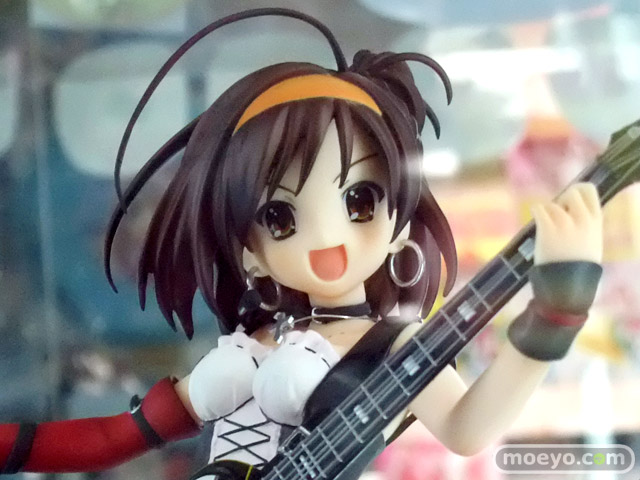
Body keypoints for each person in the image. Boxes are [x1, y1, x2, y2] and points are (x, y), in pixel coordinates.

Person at [0, 8, 603, 479]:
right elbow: (111, 438)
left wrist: (556, 313)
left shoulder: (391, 347)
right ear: (247, 249)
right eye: (280, 217)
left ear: (398, 220)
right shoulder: (255, 338)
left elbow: (468, 429)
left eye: (360, 202)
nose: (328, 238)